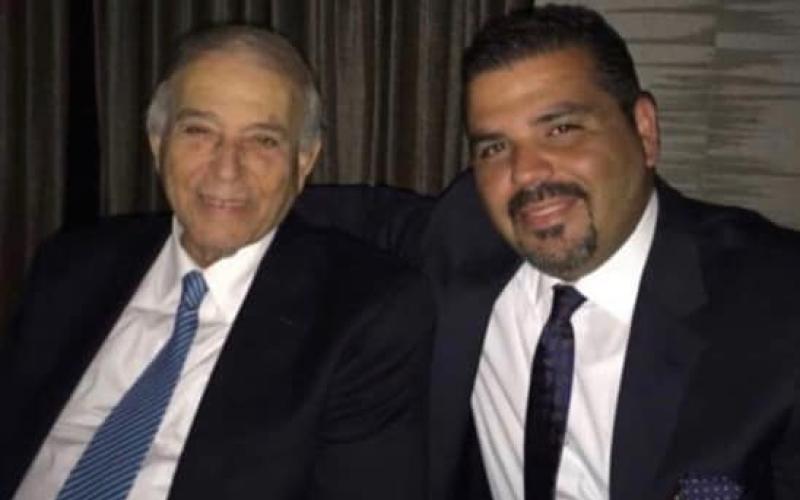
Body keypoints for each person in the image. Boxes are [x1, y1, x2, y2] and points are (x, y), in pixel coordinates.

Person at [297, 4, 800, 499]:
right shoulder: (463, 234)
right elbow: (326, 210)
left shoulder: (774, 302)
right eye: (494, 147)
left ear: (644, 131)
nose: (526, 172)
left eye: (560, 129)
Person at [0, 25, 432, 500]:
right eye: (199, 132)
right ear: (157, 142)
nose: (227, 168)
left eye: (263, 140)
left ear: (304, 161)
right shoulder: (70, 268)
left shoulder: (365, 315)